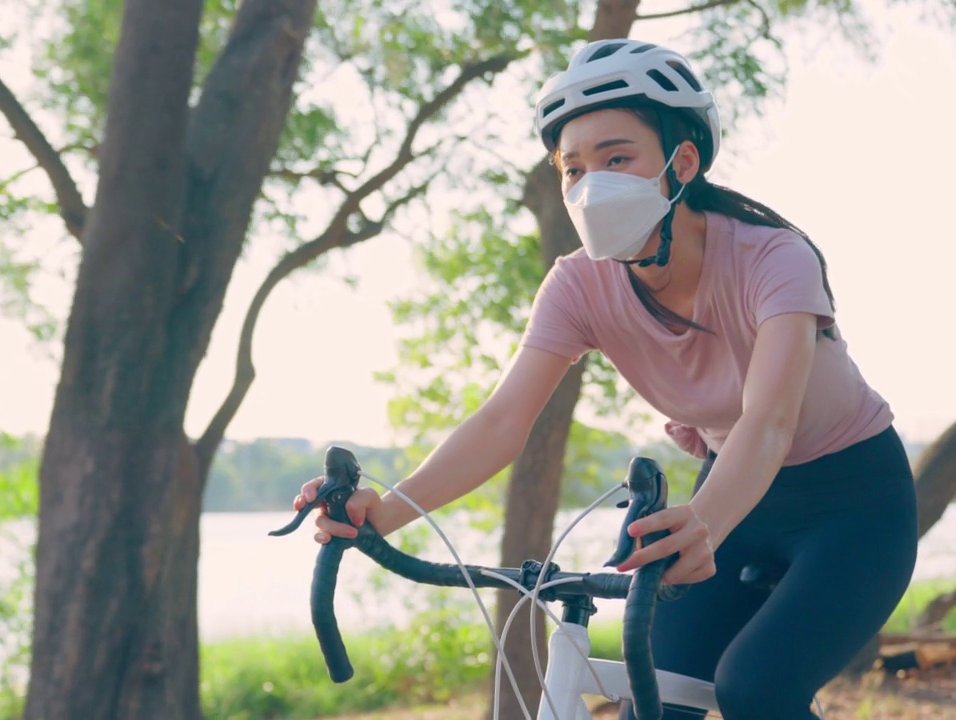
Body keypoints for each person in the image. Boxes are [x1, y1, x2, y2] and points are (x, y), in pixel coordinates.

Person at [294, 39, 918, 719]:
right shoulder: (577, 286)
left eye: (617, 158)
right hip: (727, 495)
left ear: (681, 163)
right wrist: (386, 511)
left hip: (853, 501)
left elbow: (768, 422)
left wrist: (704, 522)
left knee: (757, 689)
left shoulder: (774, 258)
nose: (591, 184)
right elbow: (503, 422)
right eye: (573, 168)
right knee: (650, 700)